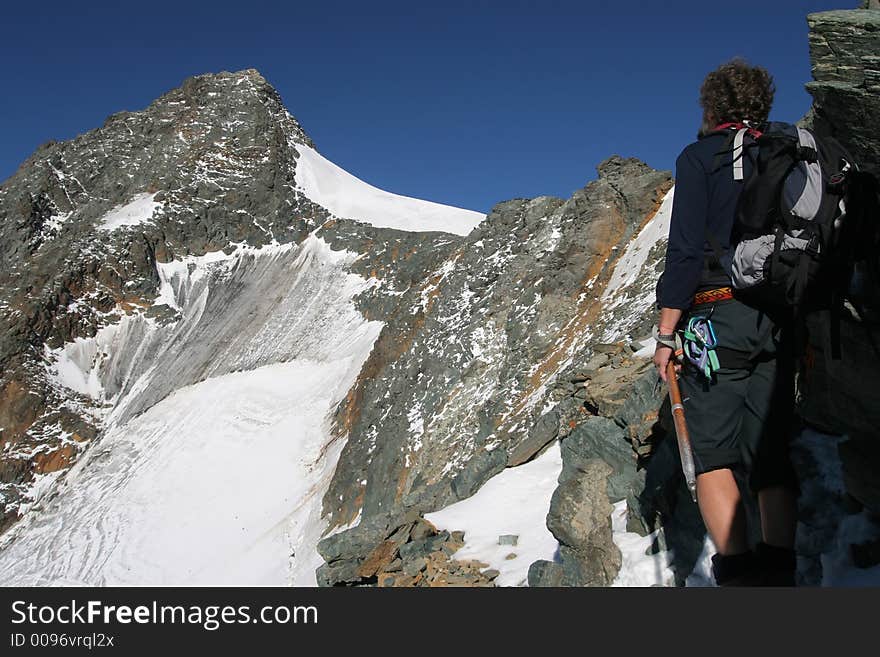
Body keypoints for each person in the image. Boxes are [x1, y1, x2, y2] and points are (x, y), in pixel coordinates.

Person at [653, 59, 799, 586]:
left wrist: (667, 334)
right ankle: (781, 577)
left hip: (716, 318)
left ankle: (739, 581)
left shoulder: (700, 158)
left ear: (712, 106)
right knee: (772, 456)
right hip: (781, 321)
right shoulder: (787, 153)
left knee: (714, 458)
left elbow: (686, 250)